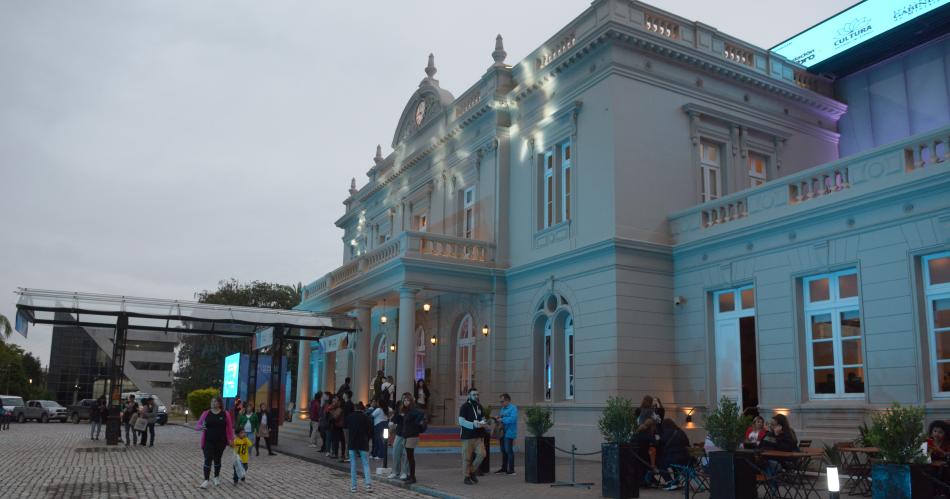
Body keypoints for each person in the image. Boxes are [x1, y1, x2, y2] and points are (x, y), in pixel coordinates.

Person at [196, 395, 234, 489]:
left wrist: (231, 440)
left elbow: (229, 428)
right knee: (208, 459)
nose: (213, 403)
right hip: (208, 441)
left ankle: (216, 477)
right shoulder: (206, 413)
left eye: (215, 401)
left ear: (220, 403)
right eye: (212, 401)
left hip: (221, 441)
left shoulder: (225, 414)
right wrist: (201, 427)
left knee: (217, 459)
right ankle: (206, 480)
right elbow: (198, 425)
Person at [458, 387, 488, 485]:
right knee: (466, 458)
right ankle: (466, 477)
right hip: (467, 436)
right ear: (469, 396)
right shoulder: (465, 406)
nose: (476, 396)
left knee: (482, 454)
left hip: (478, 436)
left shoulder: (479, 406)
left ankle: (471, 471)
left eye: (477, 394)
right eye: (474, 394)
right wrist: (472, 424)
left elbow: (483, 418)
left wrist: (483, 423)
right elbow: (461, 421)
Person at [345, 397, 374, 493]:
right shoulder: (366, 418)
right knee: (365, 463)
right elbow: (370, 431)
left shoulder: (350, 417)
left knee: (353, 464)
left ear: (354, 408)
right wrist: (368, 438)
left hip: (352, 442)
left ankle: (354, 486)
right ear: (362, 409)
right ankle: (368, 485)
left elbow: (346, 427)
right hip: (363, 442)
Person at [397, 392, 425, 484]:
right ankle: (410, 475)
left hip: (412, 436)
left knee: (410, 457)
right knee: (409, 457)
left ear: (411, 401)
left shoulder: (413, 409)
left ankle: (413, 477)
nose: (405, 402)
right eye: (404, 400)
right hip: (407, 435)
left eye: (407, 400)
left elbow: (421, 413)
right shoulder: (407, 410)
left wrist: (416, 423)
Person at [656, 418, 690, 490]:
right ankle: (676, 481)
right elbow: (688, 444)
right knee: (675, 465)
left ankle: (669, 482)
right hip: (686, 460)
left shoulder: (665, 433)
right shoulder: (681, 432)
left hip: (673, 458)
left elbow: (660, 445)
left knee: (660, 463)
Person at [495, 393, 518, 475]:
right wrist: (497, 418)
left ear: (508, 400)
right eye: (500, 402)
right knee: (503, 450)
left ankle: (511, 470)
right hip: (502, 432)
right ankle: (504, 468)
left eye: (502, 401)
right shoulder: (503, 409)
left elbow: (512, 419)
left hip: (509, 432)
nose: (501, 403)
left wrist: (502, 419)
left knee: (509, 451)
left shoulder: (513, 408)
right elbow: (502, 417)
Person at [340, 391, 354, 463]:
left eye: (344, 393)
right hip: (346, 425)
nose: (343, 395)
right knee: (347, 441)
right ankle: (346, 455)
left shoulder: (349, 404)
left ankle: (348, 456)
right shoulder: (347, 403)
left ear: (347, 395)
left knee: (348, 441)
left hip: (347, 425)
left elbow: (348, 416)